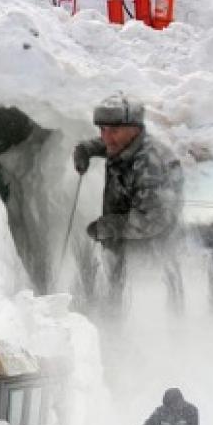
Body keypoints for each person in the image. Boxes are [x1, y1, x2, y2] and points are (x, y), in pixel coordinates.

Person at [72, 93, 185, 309]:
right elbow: (107, 144)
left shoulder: (150, 164)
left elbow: (152, 221)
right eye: (102, 130)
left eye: (113, 131)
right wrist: (85, 150)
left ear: (135, 129)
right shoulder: (125, 145)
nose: (106, 138)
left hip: (151, 268)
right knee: (118, 306)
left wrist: (107, 226)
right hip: (126, 257)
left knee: (141, 320)